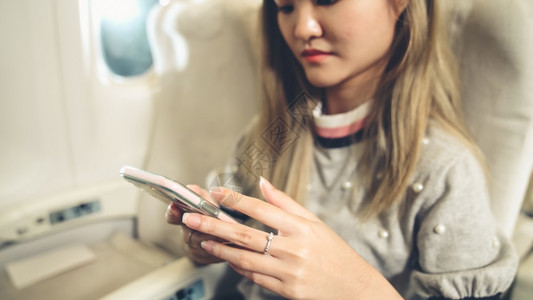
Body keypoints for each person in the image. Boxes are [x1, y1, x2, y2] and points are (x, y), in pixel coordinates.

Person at [166, 0, 518, 299]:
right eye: (285, 7)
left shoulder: (445, 169)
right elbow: (219, 245)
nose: (302, 28)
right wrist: (202, 243)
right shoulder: (273, 135)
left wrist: (356, 288)